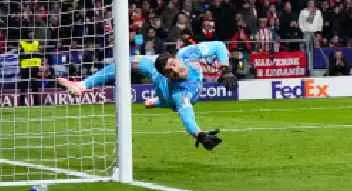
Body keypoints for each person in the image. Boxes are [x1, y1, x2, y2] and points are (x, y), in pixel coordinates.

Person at [58, 41, 236, 149]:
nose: (175, 70)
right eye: (170, 71)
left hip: (170, 86)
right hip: (167, 94)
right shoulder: (179, 93)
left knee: (163, 96)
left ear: (175, 58)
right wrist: (199, 135)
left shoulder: (187, 54)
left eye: (173, 64)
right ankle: (82, 85)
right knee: (126, 63)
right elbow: (187, 118)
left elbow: (219, 46)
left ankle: (156, 102)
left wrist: (226, 69)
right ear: (166, 75)